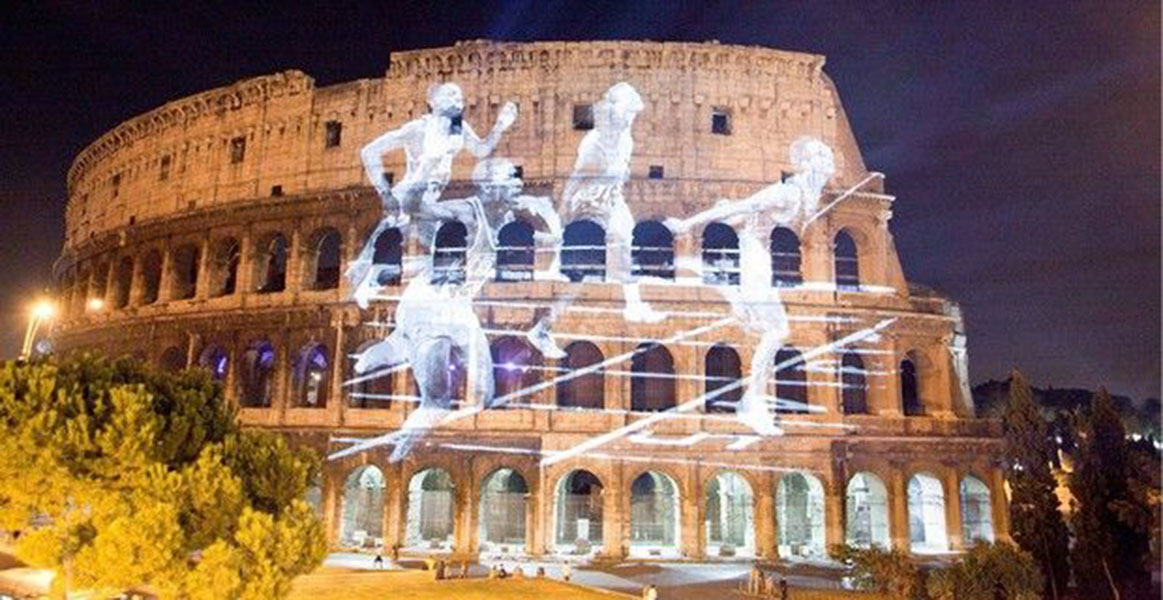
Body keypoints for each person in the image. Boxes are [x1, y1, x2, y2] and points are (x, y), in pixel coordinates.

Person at [665, 137, 835, 435]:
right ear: (807, 163)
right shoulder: (784, 192)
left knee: (774, 332)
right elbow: (744, 208)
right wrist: (688, 223)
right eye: (823, 159)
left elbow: (745, 215)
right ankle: (753, 403)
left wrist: (732, 213)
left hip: (758, 259)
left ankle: (753, 400)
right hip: (754, 263)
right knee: (778, 331)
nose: (829, 166)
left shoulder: (800, 194)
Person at [348, 82, 518, 306]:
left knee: (433, 248)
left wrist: (500, 125)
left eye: (459, 95)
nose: (458, 99)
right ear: (432, 102)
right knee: (389, 243)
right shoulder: (417, 129)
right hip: (410, 192)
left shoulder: (459, 129)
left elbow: (481, 150)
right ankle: (366, 286)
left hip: (432, 196)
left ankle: (430, 292)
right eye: (450, 94)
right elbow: (368, 151)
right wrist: (384, 192)